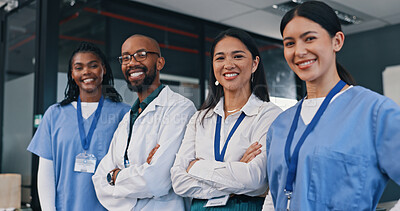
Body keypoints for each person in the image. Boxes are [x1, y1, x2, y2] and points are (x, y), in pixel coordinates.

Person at [265, 1, 400, 210]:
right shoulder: (280, 125)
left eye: (309, 38)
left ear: (336, 41)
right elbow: (275, 197)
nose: (299, 51)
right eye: (289, 43)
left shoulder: (375, 113)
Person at [170, 28, 282, 210]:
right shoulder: (200, 119)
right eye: (220, 58)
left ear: (254, 64)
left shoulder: (269, 114)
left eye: (237, 56)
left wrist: (196, 167)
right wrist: (236, 174)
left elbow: (255, 179)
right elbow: (179, 181)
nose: (228, 64)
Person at [92, 34, 196, 210]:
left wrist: (117, 177)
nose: (132, 63)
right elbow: (99, 180)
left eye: (141, 54)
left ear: (160, 63)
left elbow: (157, 180)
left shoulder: (180, 108)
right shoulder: (128, 118)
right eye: (125, 58)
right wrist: (138, 172)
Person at [27, 42, 130, 211]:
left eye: (93, 66)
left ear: (103, 69)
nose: (86, 72)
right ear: (72, 74)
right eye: (79, 67)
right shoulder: (54, 114)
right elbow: (46, 173)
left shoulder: (123, 114)